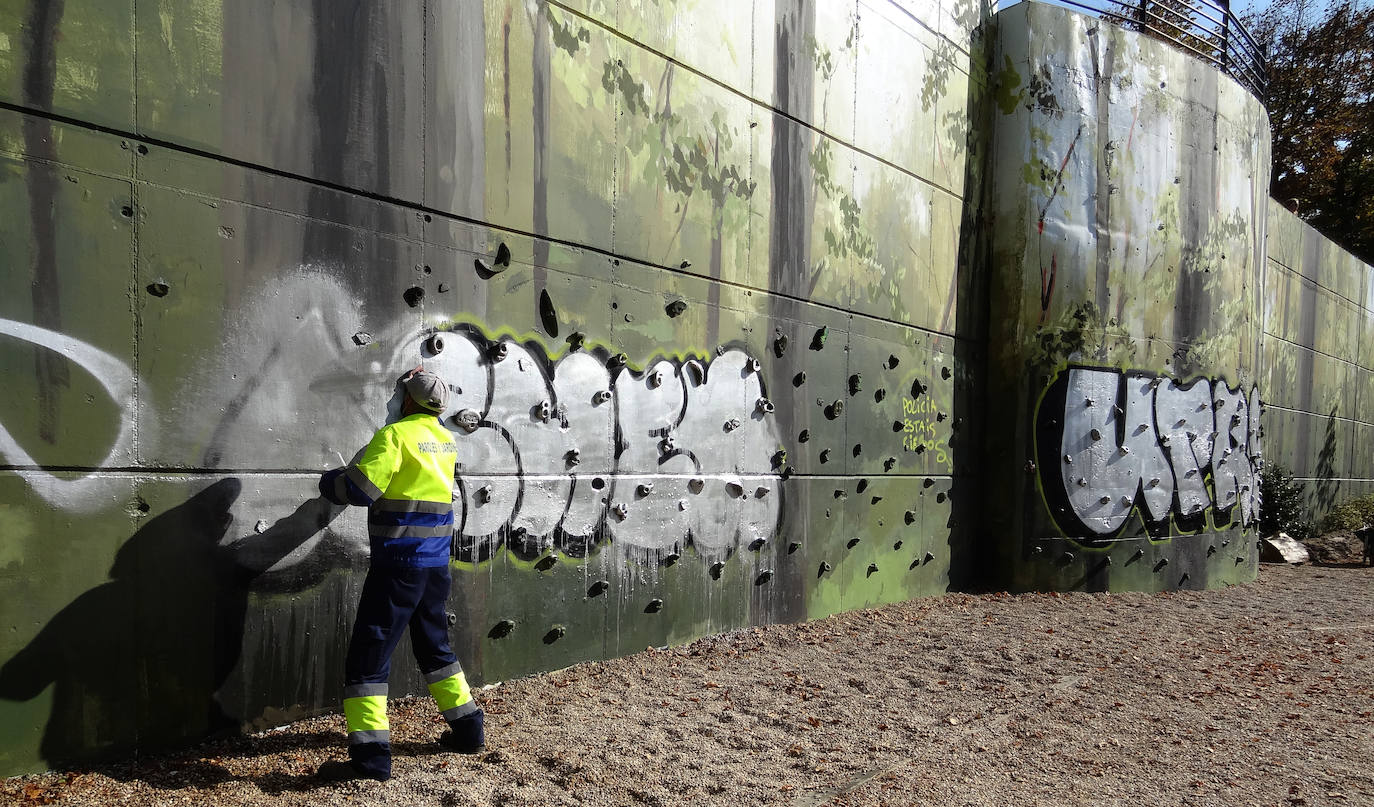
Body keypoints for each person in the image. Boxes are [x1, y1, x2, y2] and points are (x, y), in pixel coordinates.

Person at [315, 366, 483, 782]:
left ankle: (370, 761)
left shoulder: (395, 436)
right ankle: (469, 730)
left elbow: (360, 490)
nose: (392, 400)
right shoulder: (445, 441)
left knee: (367, 660)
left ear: (408, 399)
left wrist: (329, 483)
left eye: (397, 393)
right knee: (434, 648)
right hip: (433, 567)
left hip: (398, 567)